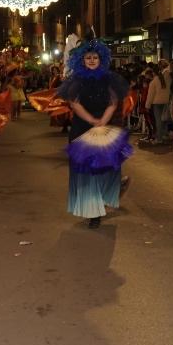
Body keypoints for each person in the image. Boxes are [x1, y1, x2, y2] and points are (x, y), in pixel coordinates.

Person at [55, 38, 129, 228]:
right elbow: (74, 104)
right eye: (88, 58)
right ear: (82, 60)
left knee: (106, 169)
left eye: (95, 57)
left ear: (100, 59)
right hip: (82, 130)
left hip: (104, 128)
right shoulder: (76, 80)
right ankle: (93, 212)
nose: (92, 60)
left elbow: (113, 102)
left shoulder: (109, 79)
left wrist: (103, 120)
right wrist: (92, 120)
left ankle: (106, 197)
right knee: (87, 173)